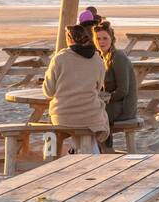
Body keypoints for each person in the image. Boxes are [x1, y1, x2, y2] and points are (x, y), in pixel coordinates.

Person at [42, 23, 109, 153]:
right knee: (99, 116)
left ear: (69, 38)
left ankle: (49, 156)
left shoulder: (59, 58)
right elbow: (98, 87)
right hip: (90, 116)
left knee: (50, 127)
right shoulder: (97, 59)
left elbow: (48, 92)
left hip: (63, 116)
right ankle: (84, 151)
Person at [93, 22, 136, 150]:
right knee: (87, 109)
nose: (101, 42)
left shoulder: (118, 57)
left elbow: (123, 90)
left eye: (105, 38)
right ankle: (101, 149)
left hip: (124, 106)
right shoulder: (103, 56)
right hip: (112, 102)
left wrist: (103, 99)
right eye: (98, 38)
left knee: (93, 115)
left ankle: (103, 150)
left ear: (112, 39)